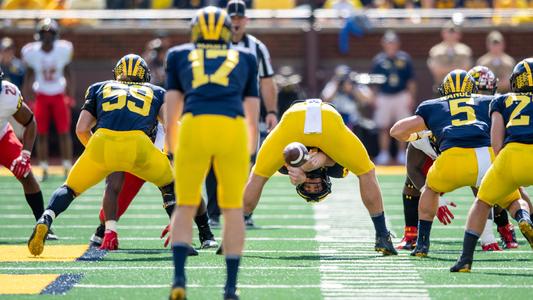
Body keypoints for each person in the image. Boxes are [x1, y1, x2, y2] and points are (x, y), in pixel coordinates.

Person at [27, 54, 175, 258]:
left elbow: (81, 129)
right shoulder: (156, 91)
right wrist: (166, 154)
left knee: (69, 189)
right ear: (145, 76)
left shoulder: (100, 87)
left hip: (101, 141)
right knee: (169, 184)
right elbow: (170, 126)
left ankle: (46, 218)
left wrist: (98, 155)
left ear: (117, 73)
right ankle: (180, 236)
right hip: (138, 145)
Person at [164, 7, 259, 300]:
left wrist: (171, 145)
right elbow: (252, 113)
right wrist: (250, 148)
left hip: (194, 125)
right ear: (227, 31)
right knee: (232, 211)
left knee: (185, 206)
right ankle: (230, 287)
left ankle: (179, 278)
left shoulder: (178, 55)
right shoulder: (246, 57)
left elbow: (172, 107)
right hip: (231, 127)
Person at [242, 99, 397, 256]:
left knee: (258, 175)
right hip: (327, 120)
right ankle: (382, 234)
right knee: (366, 172)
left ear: (299, 184)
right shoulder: (337, 172)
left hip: (293, 121)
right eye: (317, 187)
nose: (312, 184)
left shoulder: (288, 171)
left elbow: (287, 154)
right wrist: (321, 159)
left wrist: (298, 168)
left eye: (308, 187)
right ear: (325, 180)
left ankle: (233, 234)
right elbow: (338, 158)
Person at [390, 69, 511, 257]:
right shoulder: (488, 105)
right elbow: (413, 168)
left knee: (431, 189)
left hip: (450, 158)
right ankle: (498, 234)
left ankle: (422, 243)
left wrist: (415, 134)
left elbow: (396, 131)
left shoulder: (431, 111)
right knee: (494, 190)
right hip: (477, 155)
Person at [450, 59, 533, 272]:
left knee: (482, 202)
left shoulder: (502, 100)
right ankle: (525, 218)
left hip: (512, 155)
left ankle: (465, 259)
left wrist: (502, 171)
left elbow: (496, 143)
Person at [88, 123, 217, 252]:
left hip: (162, 156)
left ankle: (205, 231)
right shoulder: (128, 123)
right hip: (137, 161)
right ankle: (103, 229)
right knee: (116, 199)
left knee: (188, 188)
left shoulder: (169, 127)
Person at [206, 0, 278, 227]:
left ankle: (243, 211)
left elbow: (267, 81)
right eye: (232, 19)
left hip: (247, 112)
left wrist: (272, 111)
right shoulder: (213, 44)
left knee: (247, 161)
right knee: (214, 159)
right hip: (218, 110)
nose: (235, 23)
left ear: (246, 20)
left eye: (239, 18)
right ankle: (214, 211)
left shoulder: (256, 47)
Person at [0, 68, 56, 240]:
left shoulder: (8, 94)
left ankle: (42, 223)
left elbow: (30, 122)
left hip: (2, 136)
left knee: (26, 174)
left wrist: (25, 154)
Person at [22, 18, 75, 180]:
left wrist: (70, 95)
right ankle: (44, 167)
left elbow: (67, 72)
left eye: (49, 33)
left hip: (58, 94)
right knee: (41, 133)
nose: (46, 37)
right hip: (42, 95)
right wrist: (26, 96)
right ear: (39, 35)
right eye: (44, 33)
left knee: (64, 132)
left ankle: (67, 166)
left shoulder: (62, 50)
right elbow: (29, 75)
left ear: (55, 35)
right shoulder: (31, 52)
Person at [371, 31, 416, 165]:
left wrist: (411, 96)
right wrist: (374, 97)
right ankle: (384, 153)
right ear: (383, 44)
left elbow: (411, 80)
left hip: (401, 94)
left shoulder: (405, 59)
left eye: (393, 42)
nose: (391, 45)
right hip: (384, 95)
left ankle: (402, 153)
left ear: (398, 44)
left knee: (402, 126)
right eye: (388, 42)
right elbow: (374, 81)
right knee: (383, 127)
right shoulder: (379, 60)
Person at [427, 22, 472, 93]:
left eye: (453, 32)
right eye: (449, 32)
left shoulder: (465, 50)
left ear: (459, 34)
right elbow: (436, 71)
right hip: (441, 87)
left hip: (460, 88)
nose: (451, 35)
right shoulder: (436, 50)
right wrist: (456, 69)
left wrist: (445, 69)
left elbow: (466, 69)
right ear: (443, 33)